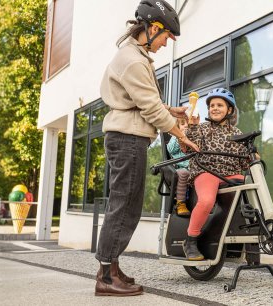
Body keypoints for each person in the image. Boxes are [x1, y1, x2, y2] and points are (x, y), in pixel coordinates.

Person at [93, 0, 199, 297]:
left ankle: (111, 267)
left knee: (126, 204)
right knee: (124, 206)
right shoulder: (134, 60)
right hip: (127, 140)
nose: (166, 44)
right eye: (166, 37)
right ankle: (105, 275)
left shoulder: (134, 56)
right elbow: (150, 108)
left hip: (129, 138)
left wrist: (171, 111)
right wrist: (181, 133)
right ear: (153, 28)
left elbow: (144, 103)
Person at [182, 88, 251, 261]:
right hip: (206, 171)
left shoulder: (236, 133)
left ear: (229, 110)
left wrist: (252, 155)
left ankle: (249, 239)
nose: (215, 108)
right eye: (212, 105)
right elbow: (190, 146)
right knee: (206, 201)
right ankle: (190, 240)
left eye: (219, 105)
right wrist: (191, 126)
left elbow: (243, 163)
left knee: (251, 188)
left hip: (230, 173)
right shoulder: (202, 129)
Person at [166, 120, 192, 216]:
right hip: (179, 168)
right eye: (182, 124)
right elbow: (170, 149)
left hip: (193, 168)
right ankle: (180, 204)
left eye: (188, 125)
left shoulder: (193, 138)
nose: (186, 126)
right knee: (183, 173)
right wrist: (180, 136)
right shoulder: (174, 137)